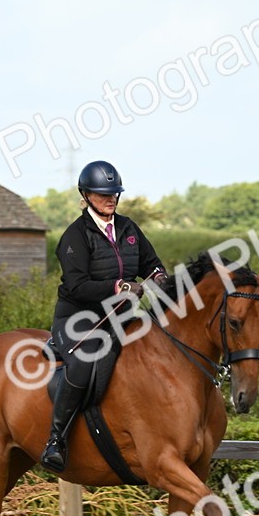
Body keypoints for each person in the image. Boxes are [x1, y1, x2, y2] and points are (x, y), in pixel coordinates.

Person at [40, 160, 167, 472]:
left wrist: (160, 280)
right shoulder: (74, 236)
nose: (110, 199)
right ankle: (56, 440)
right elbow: (78, 285)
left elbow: (151, 264)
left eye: (114, 194)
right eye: (102, 194)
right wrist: (120, 286)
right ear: (86, 195)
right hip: (79, 319)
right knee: (83, 365)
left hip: (122, 317)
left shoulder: (128, 229)